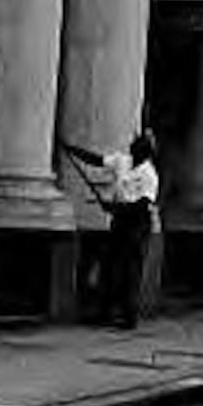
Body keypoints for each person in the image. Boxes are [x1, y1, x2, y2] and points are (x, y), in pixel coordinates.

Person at [78, 130, 159, 329]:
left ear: (146, 152)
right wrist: (72, 149)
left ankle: (129, 315)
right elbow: (96, 160)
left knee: (130, 269)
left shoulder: (149, 174)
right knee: (110, 265)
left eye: (138, 147)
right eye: (133, 146)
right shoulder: (122, 161)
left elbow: (142, 204)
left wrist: (116, 208)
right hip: (120, 221)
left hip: (137, 223)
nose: (133, 149)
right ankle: (105, 312)